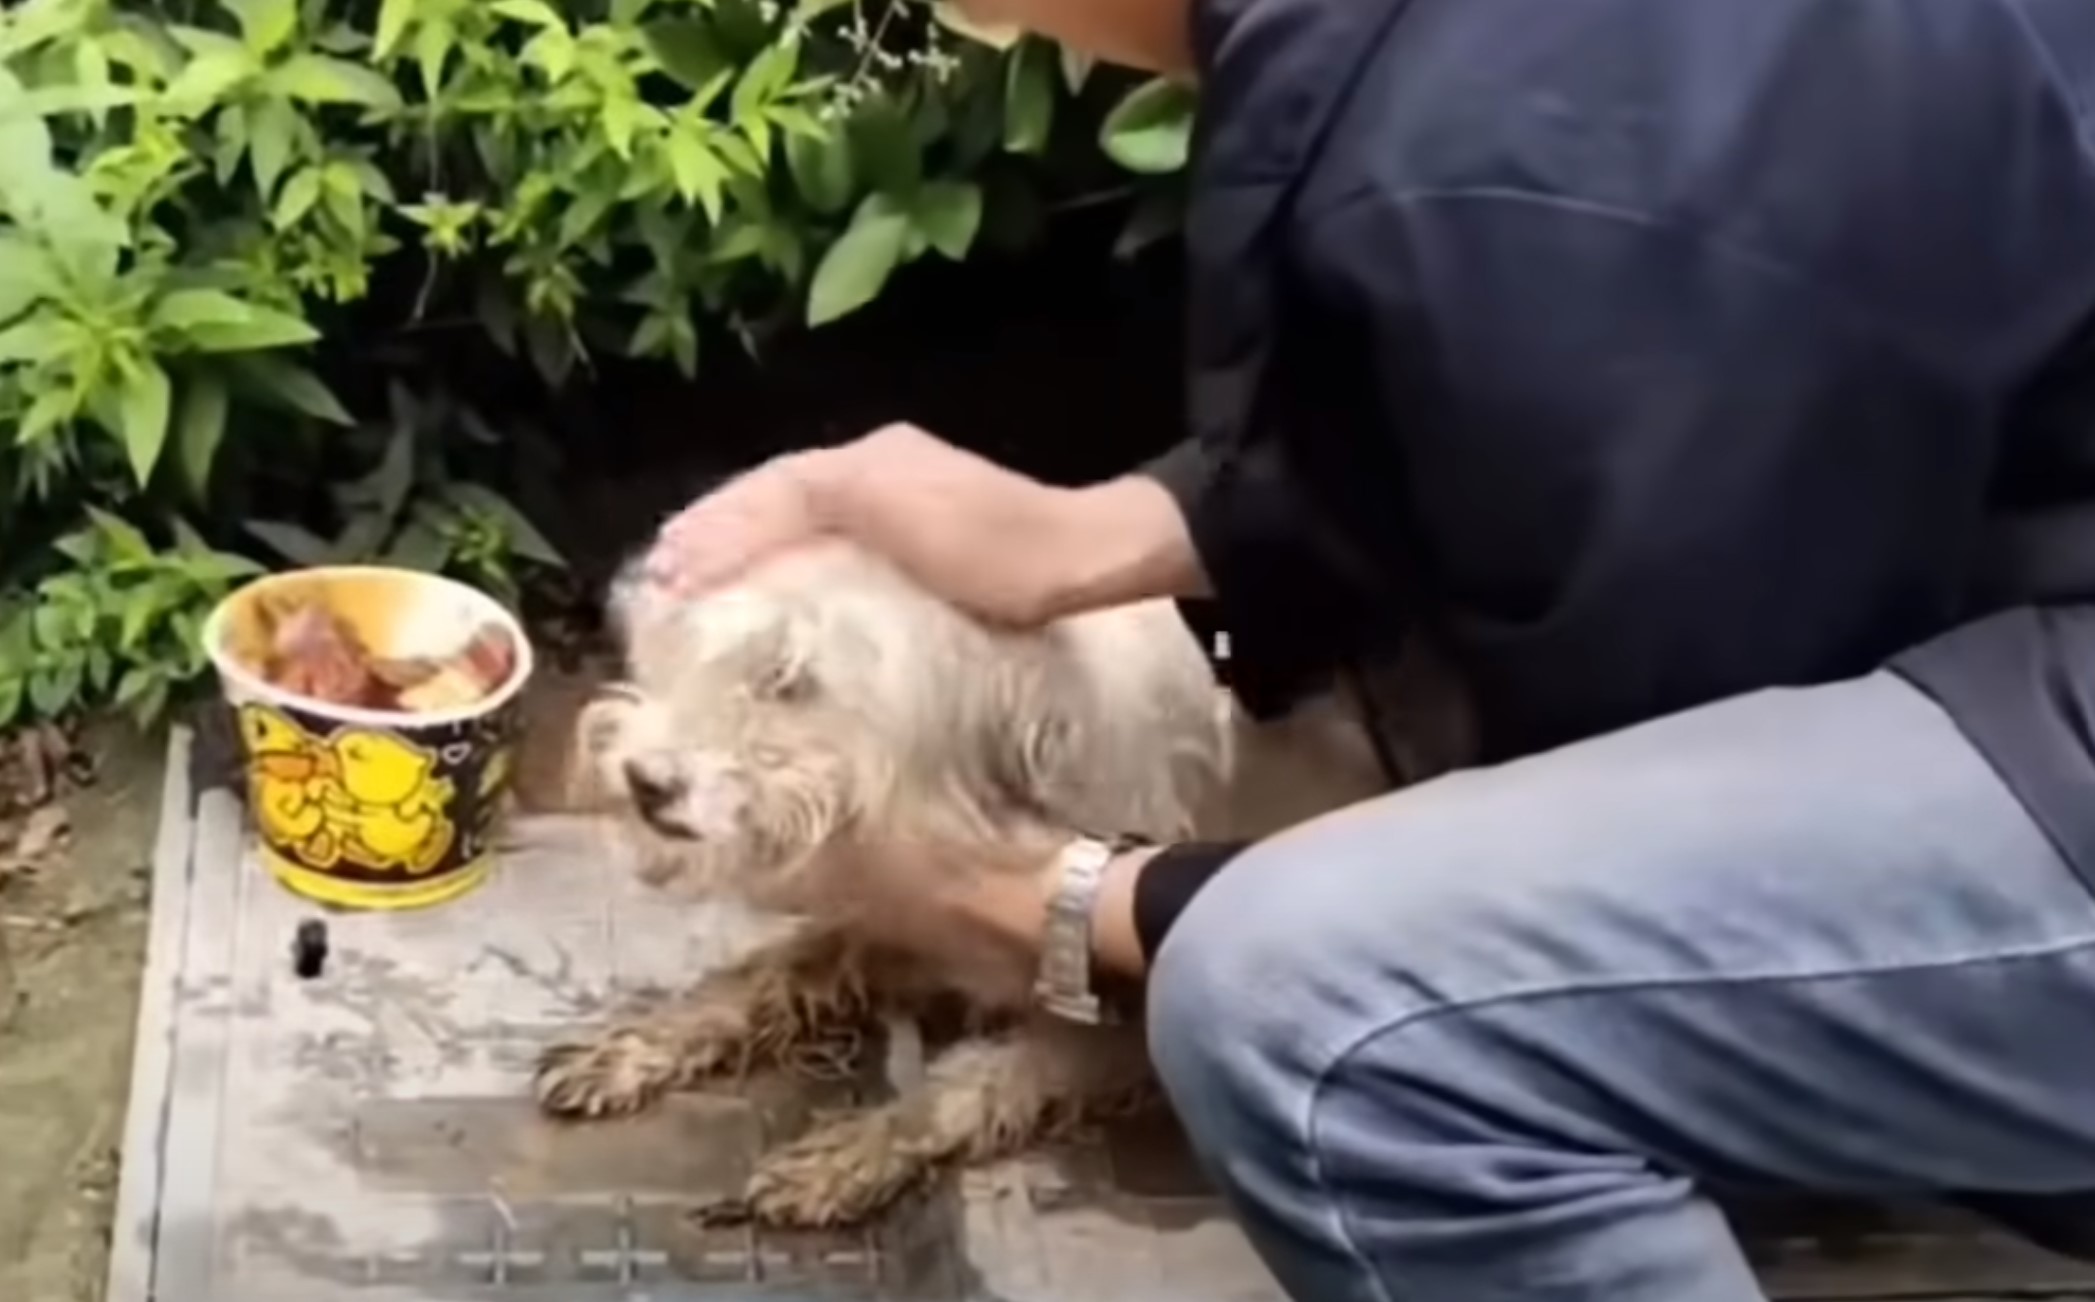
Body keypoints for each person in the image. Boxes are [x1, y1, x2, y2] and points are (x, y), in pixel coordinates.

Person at [644, 0, 2095, 1299]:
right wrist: (1095, 535)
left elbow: (1634, 818)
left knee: (1310, 1010)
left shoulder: (1507, 172)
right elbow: (1546, 388)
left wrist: (1056, 904)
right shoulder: (1498, 83)